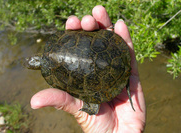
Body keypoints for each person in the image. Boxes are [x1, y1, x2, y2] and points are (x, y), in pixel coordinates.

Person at [30, 5, 146, 133]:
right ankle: (94, 106)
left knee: (84, 23)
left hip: (110, 71)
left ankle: (93, 107)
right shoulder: (56, 42)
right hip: (116, 57)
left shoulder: (53, 77)